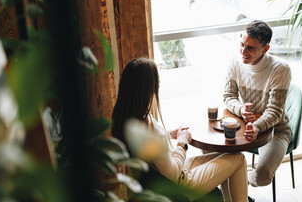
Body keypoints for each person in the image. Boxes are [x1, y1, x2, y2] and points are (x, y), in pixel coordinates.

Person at [112, 57, 248, 202]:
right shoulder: (148, 125)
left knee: (226, 155)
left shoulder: (127, 117)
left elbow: (155, 148)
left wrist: (171, 134)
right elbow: (173, 173)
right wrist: (182, 142)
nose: (159, 82)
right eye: (156, 78)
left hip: (168, 172)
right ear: (147, 86)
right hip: (179, 184)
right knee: (238, 158)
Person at [223, 20, 292, 188]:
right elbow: (228, 96)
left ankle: (243, 178)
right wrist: (240, 109)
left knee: (262, 178)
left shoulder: (280, 69)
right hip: (242, 125)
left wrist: (256, 127)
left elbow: (275, 112)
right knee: (216, 159)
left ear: (265, 48)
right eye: (241, 44)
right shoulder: (235, 60)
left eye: (250, 48)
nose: (243, 51)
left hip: (275, 130)